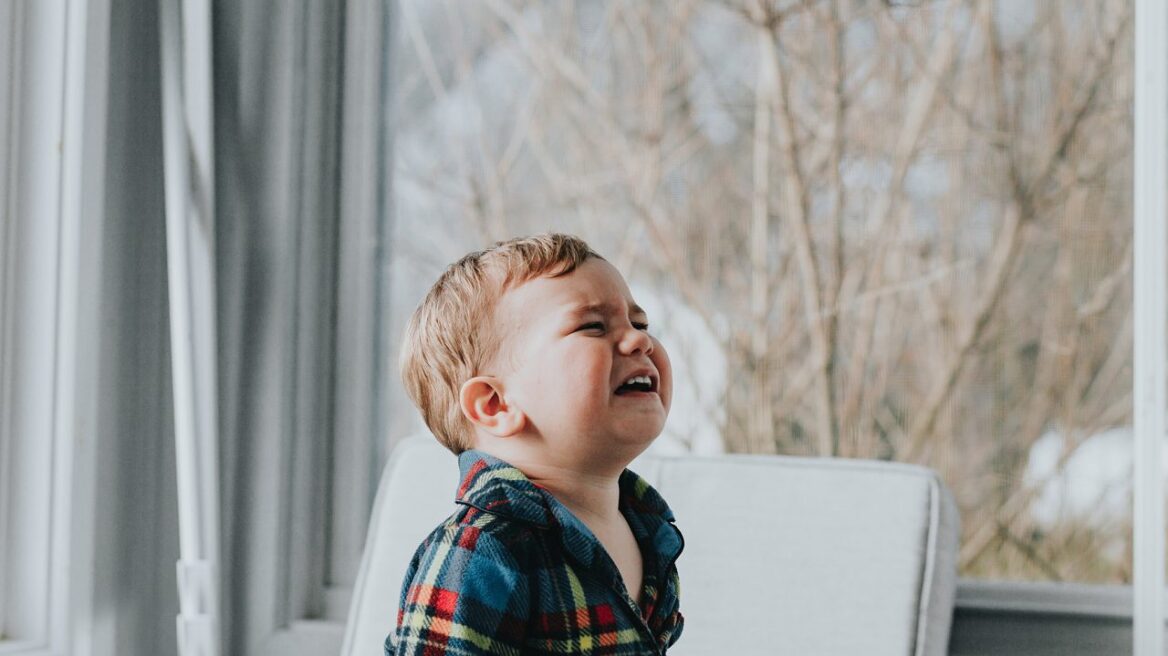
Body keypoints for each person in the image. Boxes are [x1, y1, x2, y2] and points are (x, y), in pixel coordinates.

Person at [386, 233, 685, 655]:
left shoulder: (649, 532)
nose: (640, 341)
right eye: (593, 326)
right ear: (495, 404)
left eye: (640, 324)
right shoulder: (480, 549)